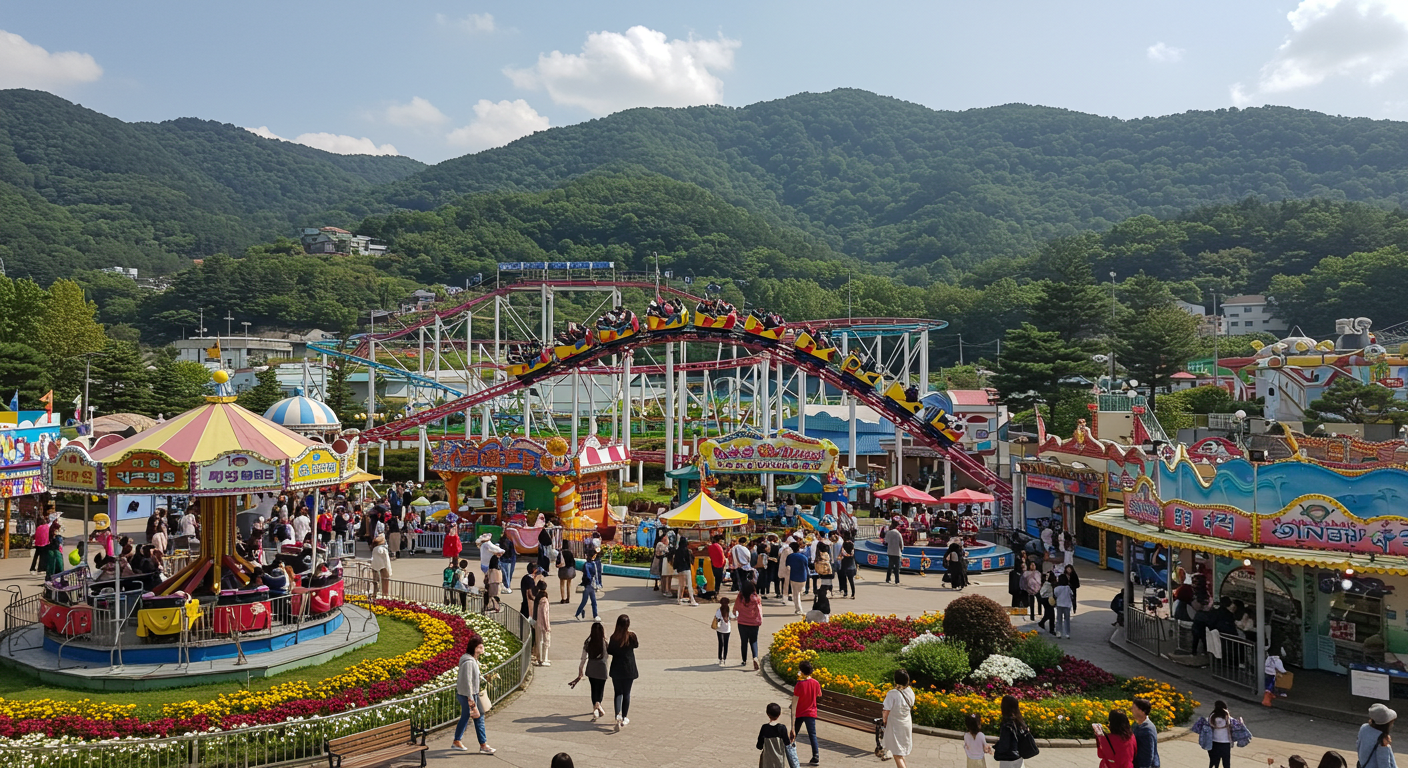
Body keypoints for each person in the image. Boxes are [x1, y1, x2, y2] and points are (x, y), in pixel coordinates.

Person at [451, 636, 496, 754]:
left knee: (467, 717)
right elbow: (468, 681)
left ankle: (457, 741)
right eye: (480, 646)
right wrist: (471, 699)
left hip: (468, 695)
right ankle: (483, 745)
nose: (482, 648)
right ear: (474, 648)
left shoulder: (472, 660)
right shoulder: (469, 662)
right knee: (478, 718)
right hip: (469, 695)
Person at [569, 621, 609, 722]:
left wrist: (580, 671)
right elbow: (607, 655)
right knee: (600, 689)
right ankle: (598, 704)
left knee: (593, 689)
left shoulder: (588, 642)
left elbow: (583, 658)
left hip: (591, 668)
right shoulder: (605, 642)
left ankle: (595, 708)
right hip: (602, 669)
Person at [607, 614, 639, 731]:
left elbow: (610, 651)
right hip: (629, 668)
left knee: (618, 692)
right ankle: (625, 717)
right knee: (627, 693)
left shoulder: (614, 637)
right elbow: (636, 645)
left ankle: (617, 714)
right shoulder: (631, 636)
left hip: (617, 668)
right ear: (628, 624)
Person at [881, 669, 915, 767]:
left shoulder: (892, 694)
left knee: (897, 754)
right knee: (900, 752)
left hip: (895, 726)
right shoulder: (910, 692)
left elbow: (886, 710)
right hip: (906, 723)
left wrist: (884, 721)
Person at [791, 660, 822, 765]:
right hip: (811, 712)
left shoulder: (799, 684)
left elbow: (795, 697)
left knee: (794, 733)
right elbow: (819, 695)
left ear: (801, 671)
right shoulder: (815, 682)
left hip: (800, 712)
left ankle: (789, 750)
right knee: (812, 734)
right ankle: (816, 755)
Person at [993, 695, 1032, 768]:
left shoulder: (1007, 724)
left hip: (1008, 758)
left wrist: (997, 748)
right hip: (1019, 756)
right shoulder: (1020, 721)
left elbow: (1004, 744)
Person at [736, 578, 764, 670]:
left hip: (742, 622)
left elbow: (736, 607)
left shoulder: (740, 597)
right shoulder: (756, 598)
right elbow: (759, 610)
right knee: (754, 641)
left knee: (744, 642)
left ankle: (744, 660)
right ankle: (755, 657)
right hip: (754, 623)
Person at [1357, 703, 1397, 768]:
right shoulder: (1382, 739)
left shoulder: (1364, 728)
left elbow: (1358, 746)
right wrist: (1385, 746)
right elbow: (1384, 764)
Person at [757, 702, 795, 768]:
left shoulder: (764, 728)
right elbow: (787, 744)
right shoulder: (782, 728)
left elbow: (759, 746)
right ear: (779, 714)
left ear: (767, 714)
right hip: (779, 762)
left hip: (767, 762)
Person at [1131, 697, 1160, 768]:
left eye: (1134, 708)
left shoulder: (1147, 730)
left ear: (1142, 711)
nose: (1132, 710)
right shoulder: (1136, 724)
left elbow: (1148, 754)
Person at [575, 549, 601, 621]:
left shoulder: (593, 563)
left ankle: (595, 615)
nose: (595, 556)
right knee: (585, 601)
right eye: (594, 555)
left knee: (593, 601)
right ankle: (578, 613)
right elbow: (587, 575)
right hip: (588, 585)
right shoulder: (587, 564)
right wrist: (591, 581)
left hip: (591, 584)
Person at [785, 541, 809, 615]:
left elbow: (787, 565)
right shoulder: (803, 557)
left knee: (796, 594)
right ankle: (799, 609)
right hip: (802, 577)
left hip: (793, 576)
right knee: (799, 592)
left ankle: (798, 609)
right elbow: (806, 567)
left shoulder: (789, 557)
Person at [673, 539, 698, 606]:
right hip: (686, 569)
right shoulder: (687, 551)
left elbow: (675, 561)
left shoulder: (677, 551)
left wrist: (676, 568)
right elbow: (689, 560)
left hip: (679, 570)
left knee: (681, 585)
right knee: (689, 584)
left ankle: (679, 599)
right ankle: (692, 600)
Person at [532, 583, 552, 666]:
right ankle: (544, 659)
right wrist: (547, 626)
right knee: (546, 641)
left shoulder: (538, 598)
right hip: (543, 623)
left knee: (539, 641)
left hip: (538, 622)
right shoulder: (544, 600)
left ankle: (540, 658)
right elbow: (544, 614)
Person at [714, 595, 733, 665]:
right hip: (727, 629)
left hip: (719, 629)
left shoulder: (719, 610)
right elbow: (733, 616)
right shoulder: (729, 610)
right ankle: (724, 658)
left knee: (720, 643)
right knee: (726, 644)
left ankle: (720, 658)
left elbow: (716, 617)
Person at [1054, 573, 1074, 639]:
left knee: (1059, 619)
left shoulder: (1057, 588)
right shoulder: (1068, 588)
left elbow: (1055, 595)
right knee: (1067, 619)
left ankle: (1059, 633)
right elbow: (1071, 595)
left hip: (1059, 604)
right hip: (1067, 605)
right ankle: (1067, 634)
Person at [1037, 571, 1057, 635]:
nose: (1046, 577)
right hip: (1046, 600)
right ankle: (1049, 627)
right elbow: (1042, 592)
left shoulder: (1050, 584)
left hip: (1048, 600)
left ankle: (1043, 624)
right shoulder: (1047, 584)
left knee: (1048, 614)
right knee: (1051, 614)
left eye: (1048, 576)